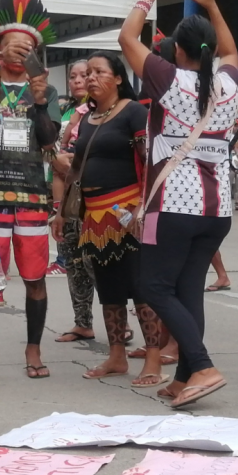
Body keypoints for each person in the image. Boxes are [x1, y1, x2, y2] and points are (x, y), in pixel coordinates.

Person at [119, 0, 238, 409]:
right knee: (188, 290)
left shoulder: (169, 79)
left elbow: (126, 38)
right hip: (217, 211)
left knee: (153, 286)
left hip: (171, 205)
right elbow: (231, 51)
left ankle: (203, 366)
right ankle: (186, 376)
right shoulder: (228, 84)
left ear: (179, 52)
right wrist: (211, 4)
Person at [0, 0, 61, 381]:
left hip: (32, 198)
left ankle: (33, 349)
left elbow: (48, 140)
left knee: (35, 278)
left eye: (27, 48)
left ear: (36, 54)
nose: (19, 52)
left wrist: (40, 102)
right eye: (12, 45)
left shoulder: (46, 91)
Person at [51, 52, 162, 385]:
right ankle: (116, 357)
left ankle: (153, 360)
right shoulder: (87, 118)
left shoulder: (134, 111)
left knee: (141, 288)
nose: (91, 78)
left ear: (118, 78)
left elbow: (150, 162)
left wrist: (141, 207)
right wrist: (61, 212)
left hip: (128, 215)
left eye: (99, 72)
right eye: (88, 73)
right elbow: (76, 168)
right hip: (95, 218)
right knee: (109, 290)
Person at [52, 61, 97, 344]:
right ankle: (83, 323)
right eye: (73, 76)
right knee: (74, 262)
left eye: (86, 75)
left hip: (98, 202)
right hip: (69, 200)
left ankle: (119, 325)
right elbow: (58, 158)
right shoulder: (69, 113)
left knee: (98, 264)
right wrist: (59, 208)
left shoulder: (111, 111)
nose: (79, 80)